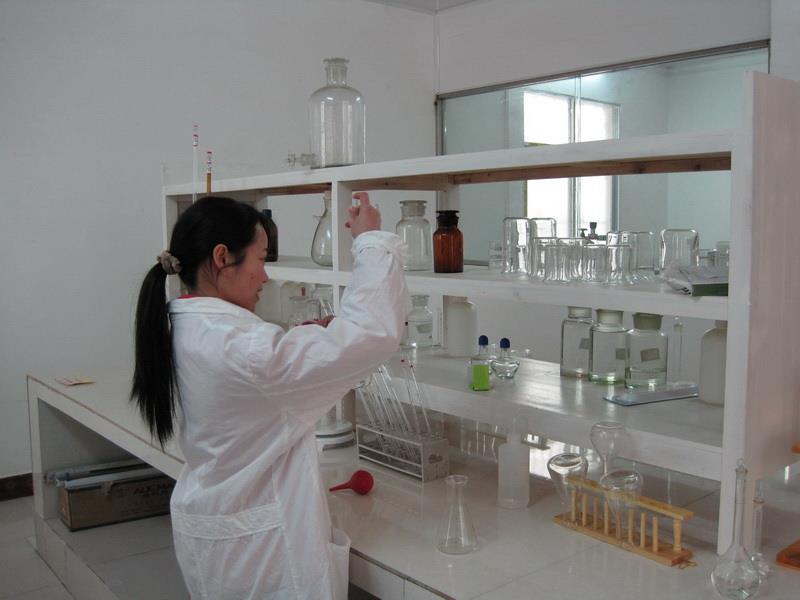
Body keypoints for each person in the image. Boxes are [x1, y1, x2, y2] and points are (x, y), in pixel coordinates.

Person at [131, 193, 408, 599]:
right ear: (222, 257)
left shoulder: (183, 325)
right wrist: (371, 240)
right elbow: (370, 334)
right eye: (260, 260)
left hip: (217, 524)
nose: (265, 276)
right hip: (260, 553)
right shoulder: (244, 348)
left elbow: (254, 380)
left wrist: (304, 341)